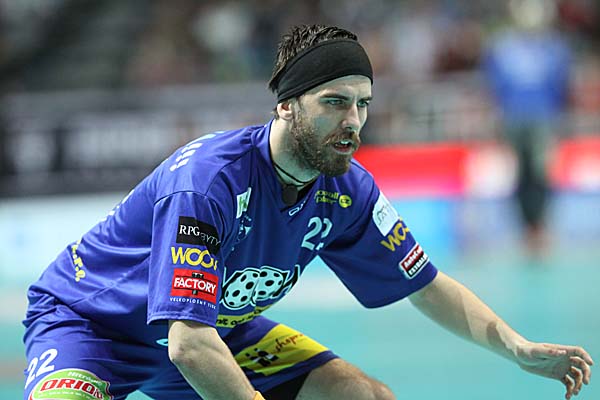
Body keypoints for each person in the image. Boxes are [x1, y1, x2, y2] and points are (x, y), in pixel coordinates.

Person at [23, 24, 592, 400]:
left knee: (363, 396)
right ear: (287, 106)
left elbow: (424, 284)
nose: (353, 121)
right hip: (95, 325)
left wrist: (516, 347)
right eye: (334, 102)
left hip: (215, 328)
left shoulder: (347, 190)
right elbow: (188, 344)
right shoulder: (209, 184)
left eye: (363, 104)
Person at [483, 0, 572, 252]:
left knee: (541, 173)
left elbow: (562, 86)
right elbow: (494, 85)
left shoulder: (554, 47)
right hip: (513, 118)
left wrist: (557, 116)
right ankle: (525, 228)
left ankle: (540, 225)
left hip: (543, 118)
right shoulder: (503, 47)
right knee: (520, 174)